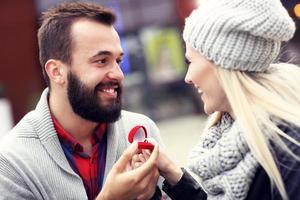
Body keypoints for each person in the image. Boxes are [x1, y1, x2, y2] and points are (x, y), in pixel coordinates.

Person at [134, 0, 300, 199]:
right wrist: (172, 176)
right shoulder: (228, 134)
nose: (188, 77)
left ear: (224, 64)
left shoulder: (289, 151)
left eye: (191, 61)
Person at [0, 2, 163, 200]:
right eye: (101, 61)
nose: (118, 74)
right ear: (57, 72)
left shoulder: (141, 130)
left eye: (118, 61)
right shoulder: (11, 161)